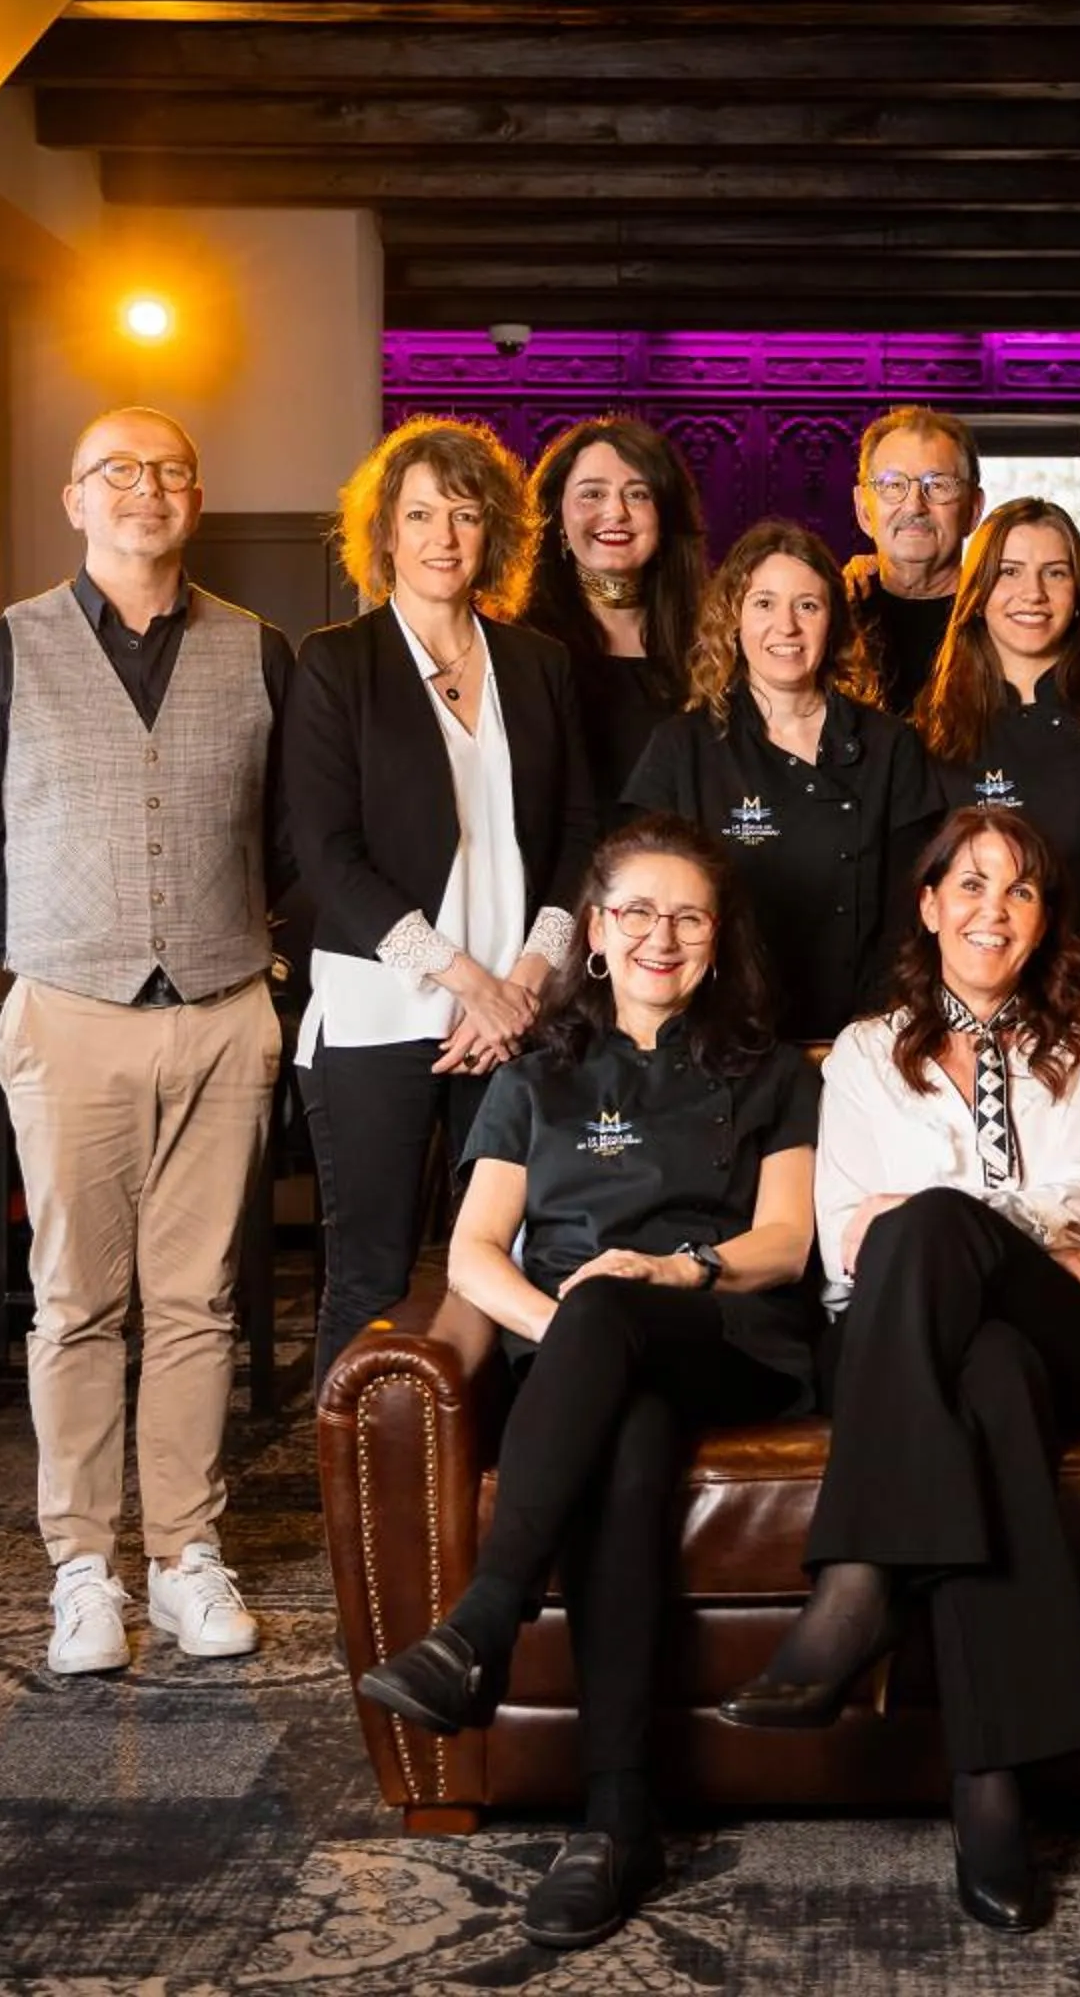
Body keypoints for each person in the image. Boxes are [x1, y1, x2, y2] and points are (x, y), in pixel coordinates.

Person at [355, 815, 825, 1949]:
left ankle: (481, 1622)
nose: (662, 934)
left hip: (722, 1333)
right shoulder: (537, 1073)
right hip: (587, 1356)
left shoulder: (769, 1067)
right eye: (636, 911)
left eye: (689, 915)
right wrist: (571, 1325)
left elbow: (786, 1241)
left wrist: (676, 1268)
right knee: (623, 1445)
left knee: (619, 1317)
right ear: (597, 936)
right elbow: (474, 1252)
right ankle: (617, 1817)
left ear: (718, 939)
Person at [718, 807, 1080, 1932]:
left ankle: (856, 1583)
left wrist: (953, 1216)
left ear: (1046, 919)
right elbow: (848, 1229)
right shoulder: (861, 1051)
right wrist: (994, 1220)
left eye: (1021, 891)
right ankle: (992, 1784)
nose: (991, 910)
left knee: (936, 1233)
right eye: (970, 885)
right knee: (983, 1373)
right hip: (906, 1332)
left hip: (1065, 1329)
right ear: (929, 903)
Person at [0, 406, 290, 1674]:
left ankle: (187, 1553)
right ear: (75, 497)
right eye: (120, 471)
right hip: (71, 1006)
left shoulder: (257, 649)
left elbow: (288, 833)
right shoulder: (2, 647)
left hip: (222, 1005)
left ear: (195, 498)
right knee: (78, 1299)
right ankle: (82, 1567)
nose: (148, 490)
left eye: (171, 471)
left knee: (197, 1300)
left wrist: (261, 962)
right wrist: (41, 957)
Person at [284, 416, 597, 1384]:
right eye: (419, 514)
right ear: (383, 533)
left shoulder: (538, 665)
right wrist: (467, 983)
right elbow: (326, 854)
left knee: (504, 1263)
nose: (442, 537)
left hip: (517, 1011)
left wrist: (526, 982)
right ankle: (366, 1526)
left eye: (464, 515)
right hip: (382, 1012)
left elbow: (580, 837)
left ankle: (485, 1501)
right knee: (371, 1270)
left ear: (493, 532)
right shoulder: (338, 663)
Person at [621, 520, 945, 1041]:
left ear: (834, 624)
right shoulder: (682, 748)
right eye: (764, 604)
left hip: (862, 1033)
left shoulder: (890, 747)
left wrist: (874, 1032)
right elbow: (644, 899)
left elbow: (911, 910)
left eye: (808, 606)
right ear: (734, 620)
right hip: (721, 1035)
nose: (786, 627)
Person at [911, 498, 1080, 978]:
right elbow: (926, 889)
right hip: (972, 988)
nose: (1033, 593)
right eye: (1009, 572)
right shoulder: (930, 727)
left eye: (1055, 573)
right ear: (978, 595)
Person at [517, 416, 709, 807]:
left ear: (666, 517)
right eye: (591, 494)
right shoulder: (520, 647)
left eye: (638, 494)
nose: (616, 512)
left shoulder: (712, 644)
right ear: (557, 519)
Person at [843, 405, 984, 715]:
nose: (915, 506)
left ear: (973, 509)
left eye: (938, 486)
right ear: (864, 511)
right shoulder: (832, 620)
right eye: (893, 485)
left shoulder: (1002, 621)